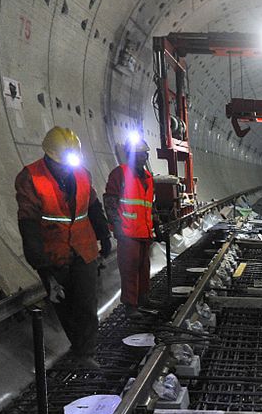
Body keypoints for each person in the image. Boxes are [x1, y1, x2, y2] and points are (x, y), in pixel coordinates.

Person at [15, 126, 111, 369]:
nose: (68, 167)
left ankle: (85, 352)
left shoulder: (82, 173)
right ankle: (78, 345)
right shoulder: (30, 178)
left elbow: (93, 207)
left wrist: (104, 236)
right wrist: (41, 265)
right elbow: (29, 225)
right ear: (49, 156)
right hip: (53, 254)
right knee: (64, 306)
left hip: (84, 248)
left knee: (87, 302)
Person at [103, 135, 158, 317]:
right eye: (140, 154)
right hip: (127, 232)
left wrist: (156, 225)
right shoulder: (120, 173)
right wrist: (116, 225)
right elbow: (110, 200)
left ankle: (143, 298)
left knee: (144, 267)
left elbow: (149, 205)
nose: (144, 157)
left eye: (145, 154)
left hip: (143, 232)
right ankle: (130, 305)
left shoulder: (149, 177)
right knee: (129, 269)